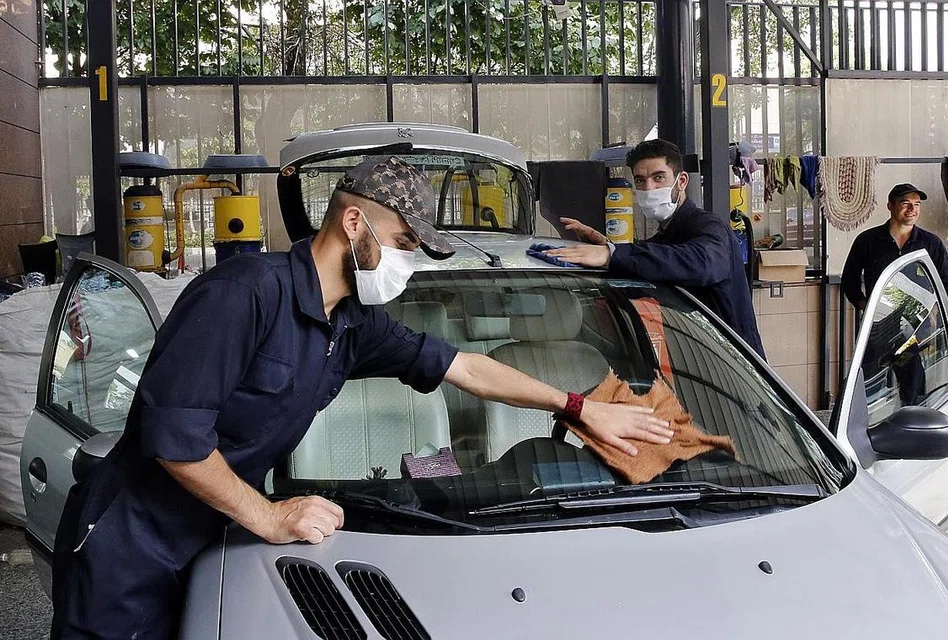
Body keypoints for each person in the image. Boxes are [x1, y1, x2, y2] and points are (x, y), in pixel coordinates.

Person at [50, 156, 675, 639]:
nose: (409, 263)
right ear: (354, 223)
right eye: (404, 243)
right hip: (126, 553)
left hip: (210, 537)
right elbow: (176, 441)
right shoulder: (241, 295)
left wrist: (578, 406)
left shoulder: (354, 323)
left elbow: (467, 368)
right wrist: (270, 516)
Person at [545, 139, 765, 359]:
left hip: (737, 370)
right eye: (640, 180)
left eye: (658, 178)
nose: (649, 189)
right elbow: (653, 262)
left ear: (682, 181)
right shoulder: (665, 237)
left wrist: (612, 254)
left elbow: (702, 263)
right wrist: (608, 247)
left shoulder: (709, 227)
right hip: (698, 360)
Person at [841, 183, 948, 406]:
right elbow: (849, 279)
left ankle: (912, 428)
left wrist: (933, 311)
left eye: (916, 205)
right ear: (890, 206)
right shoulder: (868, 241)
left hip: (911, 333)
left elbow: (947, 284)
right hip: (877, 330)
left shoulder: (930, 244)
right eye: (905, 204)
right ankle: (855, 432)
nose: (912, 210)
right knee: (865, 380)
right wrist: (865, 305)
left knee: (913, 380)